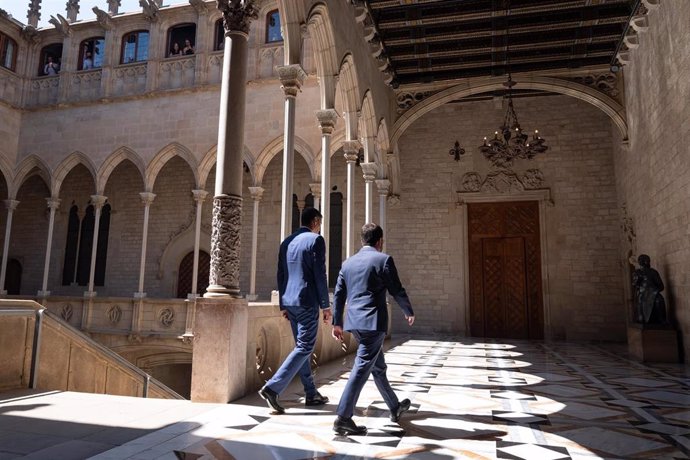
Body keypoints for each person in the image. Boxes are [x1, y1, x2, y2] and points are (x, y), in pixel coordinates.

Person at [331, 223, 415, 436]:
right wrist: (407, 310)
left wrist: (336, 322)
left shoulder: (347, 263)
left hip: (354, 323)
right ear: (379, 241)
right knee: (361, 368)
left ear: (362, 240)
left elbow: (339, 294)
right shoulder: (383, 260)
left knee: (377, 367)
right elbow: (396, 288)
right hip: (373, 322)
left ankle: (394, 407)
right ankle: (343, 417)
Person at [258, 207, 332, 413]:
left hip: (290, 302)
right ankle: (273, 388)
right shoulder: (316, 240)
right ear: (316, 221)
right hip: (307, 301)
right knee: (305, 346)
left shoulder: (286, 242)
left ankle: (310, 392)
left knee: (303, 347)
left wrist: (283, 304)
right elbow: (320, 274)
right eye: (320, 223)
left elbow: (280, 274)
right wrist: (326, 305)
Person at [632, 254, 667, 324]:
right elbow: (634, 284)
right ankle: (641, 317)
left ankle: (661, 319)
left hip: (652, 293)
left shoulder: (653, 272)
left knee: (659, 299)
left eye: (646, 261)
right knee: (641, 299)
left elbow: (661, 286)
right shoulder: (637, 272)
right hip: (643, 293)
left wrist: (654, 291)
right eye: (642, 261)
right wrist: (637, 280)